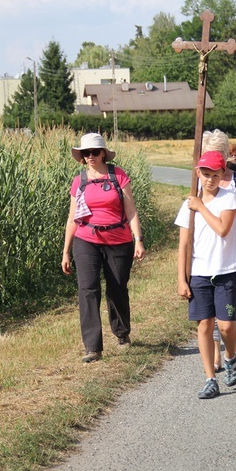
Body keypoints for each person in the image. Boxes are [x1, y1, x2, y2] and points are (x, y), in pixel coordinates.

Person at [62, 133, 146, 363]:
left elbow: (131, 211)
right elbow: (72, 218)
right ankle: (92, 347)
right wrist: (66, 251)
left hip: (118, 240)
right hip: (86, 239)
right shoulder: (79, 181)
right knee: (88, 290)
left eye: (94, 152)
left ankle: (122, 333)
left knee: (116, 288)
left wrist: (138, 239)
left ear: (103, 154)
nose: (90, 157)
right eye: (85, 153)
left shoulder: (118, 176)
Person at [175, 151, 236, 399]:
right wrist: (181, 278)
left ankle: (231, 356)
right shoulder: (188, 206)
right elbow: (184, 244)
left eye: (215, 175)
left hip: (224, 272)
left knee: (226, 326)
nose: (210, 180)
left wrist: (201, 206)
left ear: (222, 175)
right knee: (204, 325)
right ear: (198, 174)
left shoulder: (228, 198)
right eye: (205, 174)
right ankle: (209, 378)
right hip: (199, 273)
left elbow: (223, 229)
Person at [201, 130, 236, 369]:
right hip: (204, 251)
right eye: (209, 153)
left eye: (218, 153)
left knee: (234, 305)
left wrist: (231, 208)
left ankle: (233, 344)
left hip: (233, 250)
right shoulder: (201, 180)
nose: (214, 157)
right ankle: (215, 354)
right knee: (209, 310)